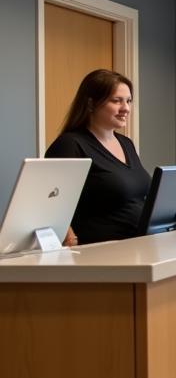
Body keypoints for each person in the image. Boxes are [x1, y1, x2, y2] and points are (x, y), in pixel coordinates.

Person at [45, 69, 151, 246]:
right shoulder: (70, 144)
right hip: (98, 252)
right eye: (116, 101)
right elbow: (51, 204)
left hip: (137, 246)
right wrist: (69, 241)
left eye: (128, 101)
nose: (125, 108)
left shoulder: (126, 143)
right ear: (91, 104)